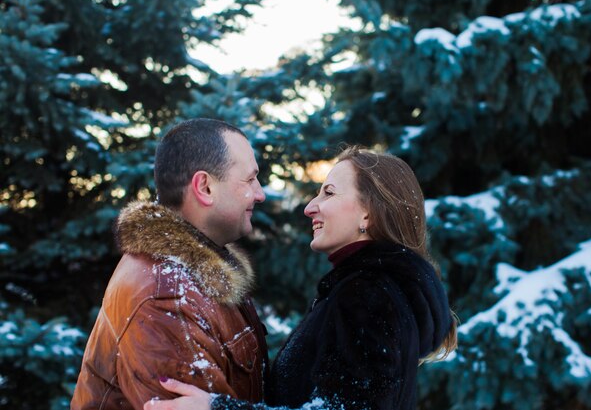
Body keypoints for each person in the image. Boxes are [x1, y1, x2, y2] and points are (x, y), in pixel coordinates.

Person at [144, 145, 458, 410]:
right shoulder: (372, 290)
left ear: (369, 214)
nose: (310, 207)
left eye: (329, 193)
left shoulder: (370, 294)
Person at [71, 118, 269, 409]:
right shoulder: (168, 298)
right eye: (250, 179)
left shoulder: (201, 275)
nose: (260, 193)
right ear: (205, 187)